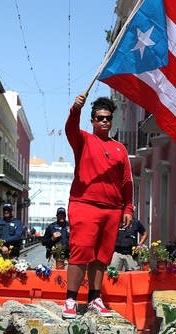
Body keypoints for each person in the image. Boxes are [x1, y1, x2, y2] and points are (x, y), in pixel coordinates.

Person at [62, 94, 133, 318]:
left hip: (112, 209)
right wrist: (76, 108)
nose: (104, 121)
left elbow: (127, 181)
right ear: (92, 120)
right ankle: (71, 300)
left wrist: (128, 208)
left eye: (108, 118)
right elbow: (70, 127)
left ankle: (94, 298)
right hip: (85, 204)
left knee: (102, 257)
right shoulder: (82, 139)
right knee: (81, 252)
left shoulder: (120, 149)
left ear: (112, 120)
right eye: (100, 118)